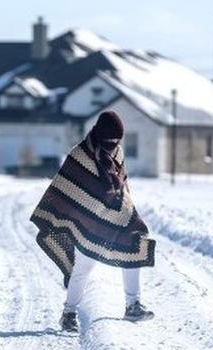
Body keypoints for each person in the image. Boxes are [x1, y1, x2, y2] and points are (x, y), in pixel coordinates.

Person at [30, 111, 155, 332]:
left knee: (134, 248)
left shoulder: (118, 152)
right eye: (110, 139)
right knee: (83, 269)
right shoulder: (80, 154)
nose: (113, 144)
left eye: (117, 140)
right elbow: (66, 187)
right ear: (100, 135)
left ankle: (133, 305)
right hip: (88, 222)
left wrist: (126, 209)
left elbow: (122, 186)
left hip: (117, 217)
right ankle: (69, 314)